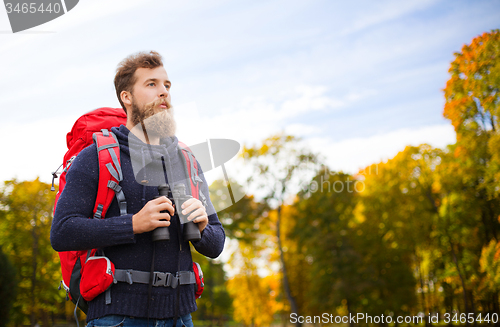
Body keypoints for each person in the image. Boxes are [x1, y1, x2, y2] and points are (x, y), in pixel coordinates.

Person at [50, 51, 225, 327]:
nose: (164, 92)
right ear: (126, 97)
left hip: (181, 317)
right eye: (152, 84)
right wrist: (133, 224)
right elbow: (62, 232)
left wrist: (203, 227)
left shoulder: (186, 161)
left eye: (167, 85)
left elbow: (216, 244)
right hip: (117, 317)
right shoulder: (97, 157)